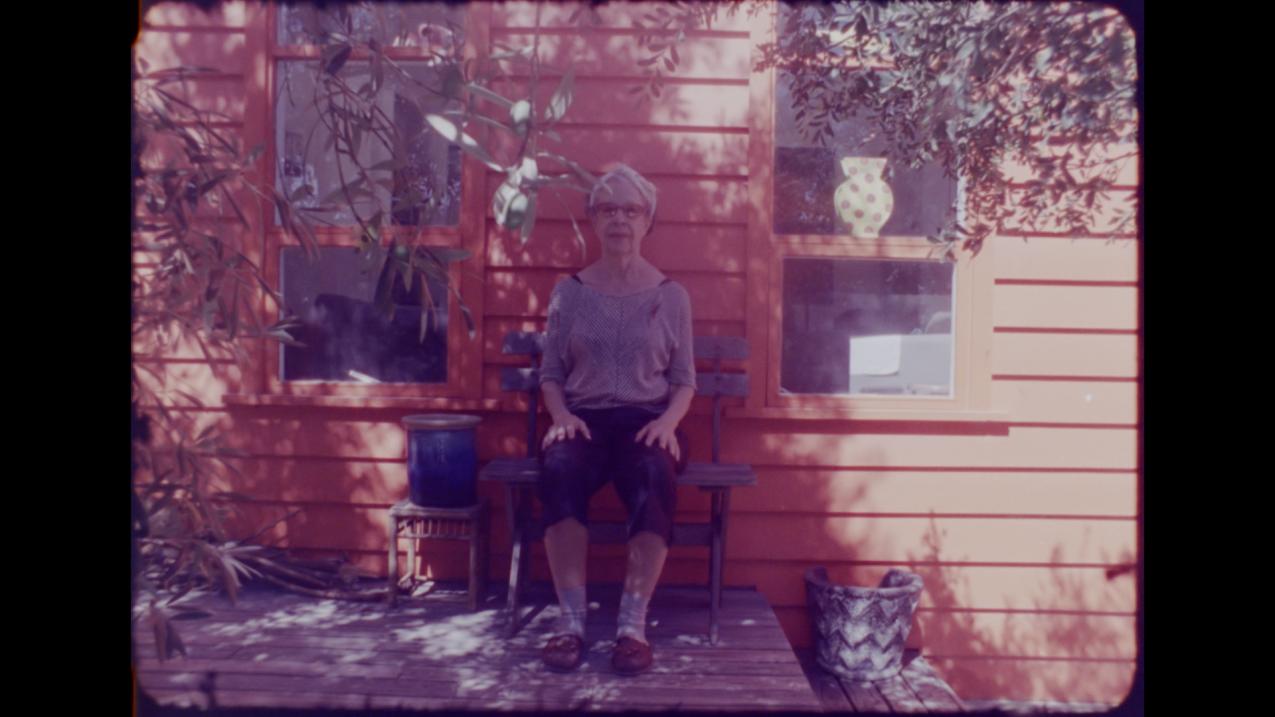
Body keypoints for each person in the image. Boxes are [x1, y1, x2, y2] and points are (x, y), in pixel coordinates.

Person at [536, 164, 696, 675]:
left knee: (654, 473)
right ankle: (571, 625)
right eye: (608, 210)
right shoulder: (571, 292)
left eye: (631, 210)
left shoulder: (671, 296)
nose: (620, 220)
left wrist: (669, 423)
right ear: (592, 220)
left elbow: (685, 380)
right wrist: (560, 415)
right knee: (558, 468)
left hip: (647, 420)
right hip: (584, 420)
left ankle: (631, 627)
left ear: (648, 220)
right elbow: (551, 373)